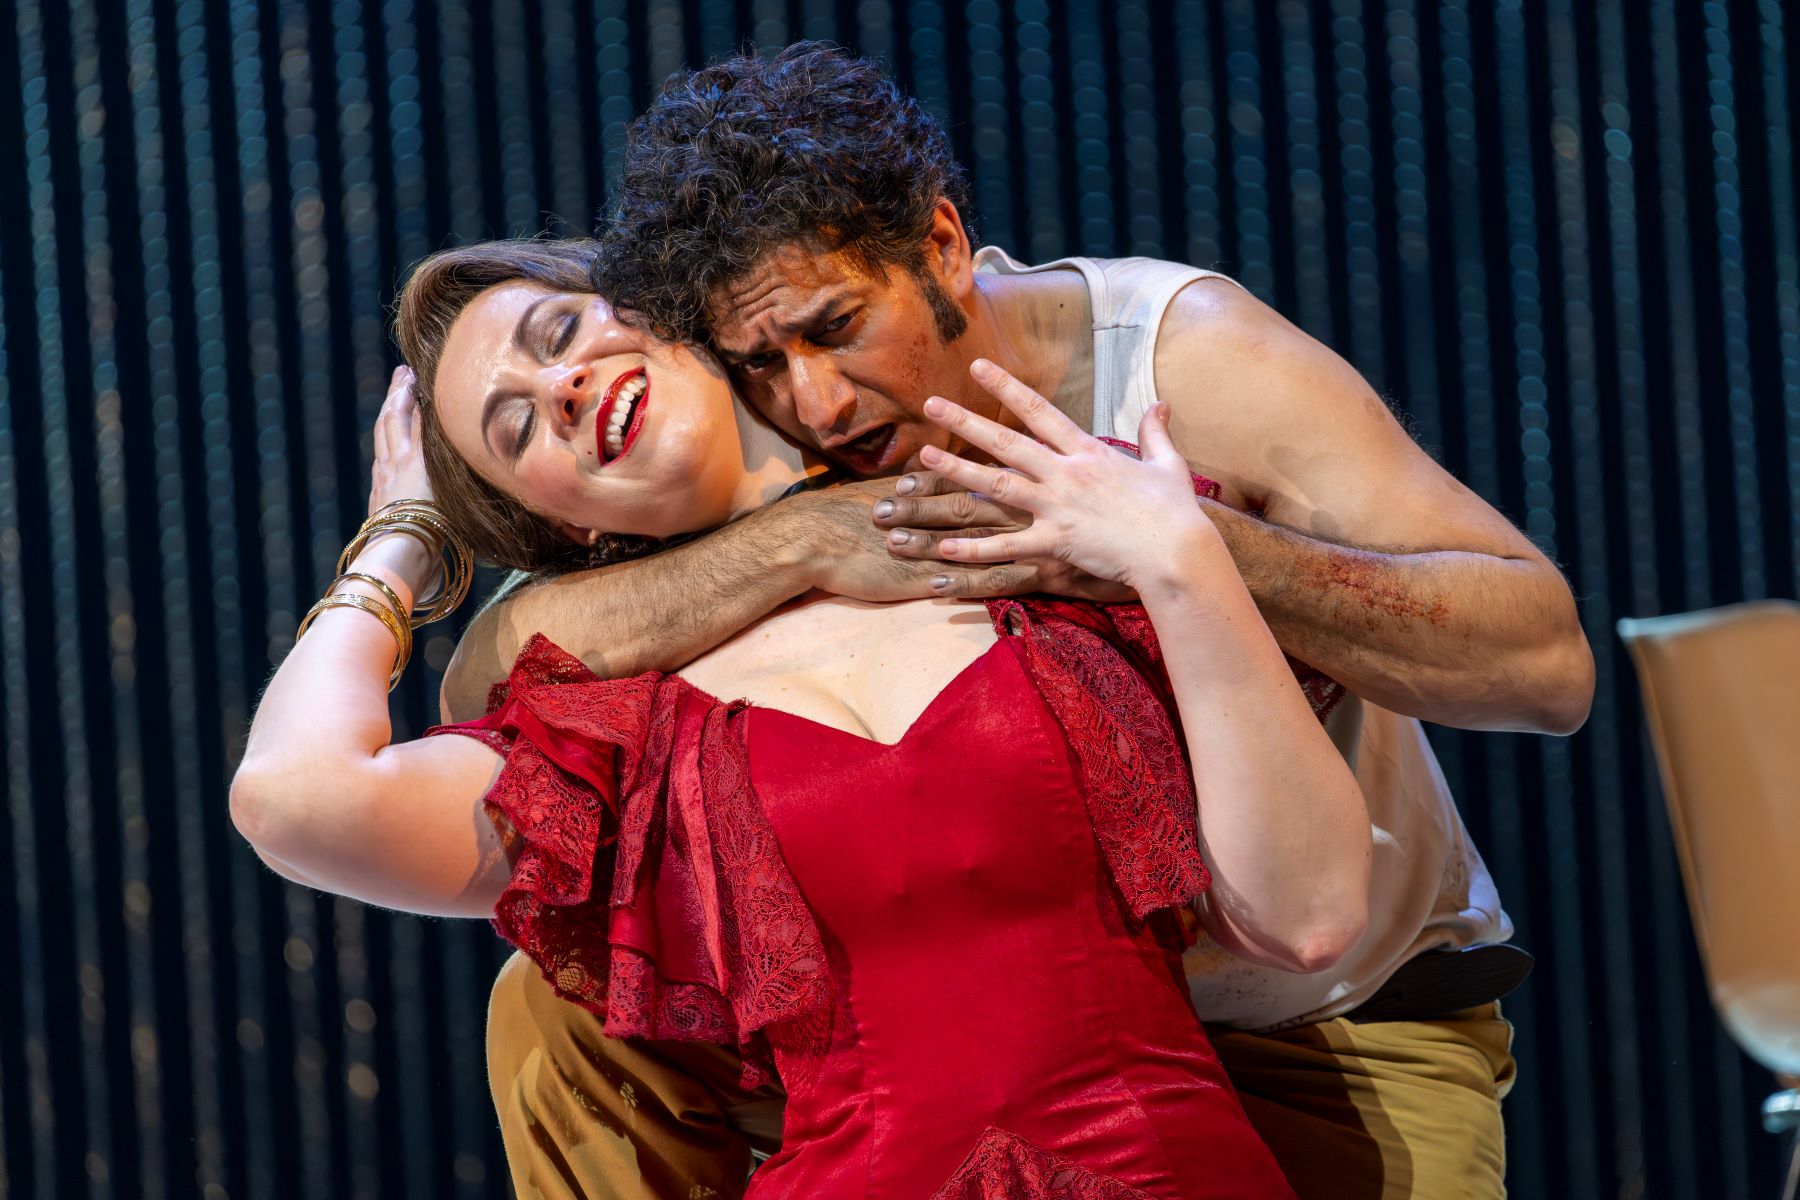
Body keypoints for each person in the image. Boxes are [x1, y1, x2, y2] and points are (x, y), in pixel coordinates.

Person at [449, 43, 1594, 1200]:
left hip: (1324, 1023)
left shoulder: (1175, 361)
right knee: (550, 1013)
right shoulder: (782, 414)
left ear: (941, 245)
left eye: (839, 326)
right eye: (764, 362)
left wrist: (1171, 545)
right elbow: (490, 684)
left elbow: (1545, 666)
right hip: (980, 1036)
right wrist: (792, 540)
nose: (818, 400)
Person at [231, 236, 1376, 1196]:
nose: (564, 388)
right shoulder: (613, 739)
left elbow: (1311, 915)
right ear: (558, 525)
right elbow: (295, 795)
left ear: (659, 305)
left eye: (561, 333)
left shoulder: (1027, 523)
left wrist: (1180, 559)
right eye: (517, 430)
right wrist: (405, 539)